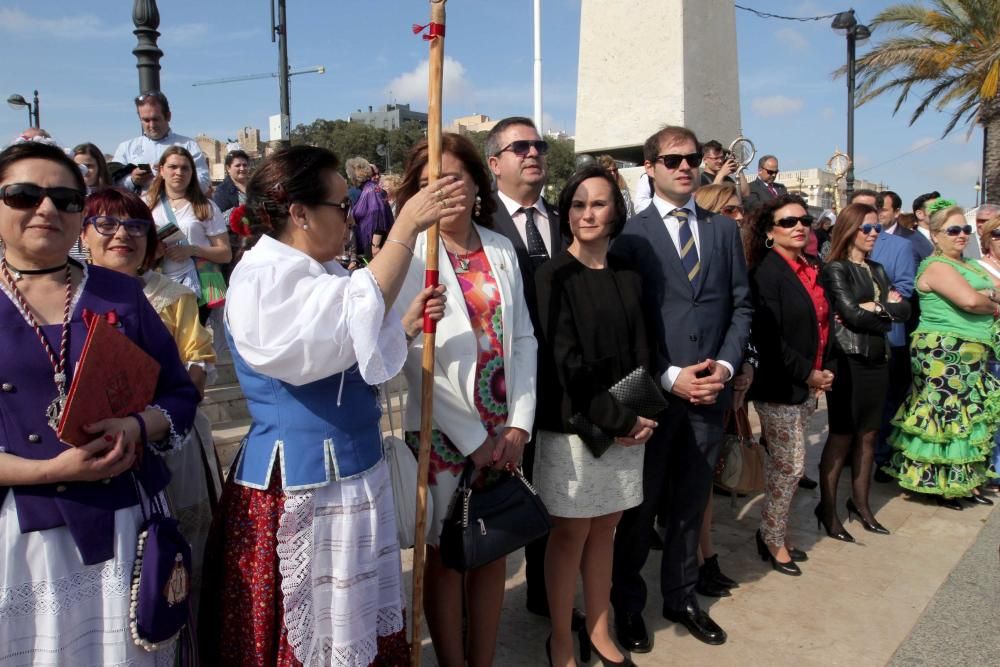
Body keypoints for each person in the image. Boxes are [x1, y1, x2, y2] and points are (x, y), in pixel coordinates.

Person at [199, 145, 450, 665]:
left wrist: (400, 326)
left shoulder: (326, 274)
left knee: (358, 621)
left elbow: (348, 347)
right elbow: (317, 343)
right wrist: (404, 226)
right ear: (299, 213)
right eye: (342, 205)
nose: (352, 216)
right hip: (304, 485)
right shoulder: (262, 276)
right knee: (313, 633)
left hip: (354, 472)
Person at [0, 141, 198, 664]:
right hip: (26, 532)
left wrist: (138, 425)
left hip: (127, 519)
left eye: (66, 200)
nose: (46, 209)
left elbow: (179, 395)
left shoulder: (119, 292)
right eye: (23, 195)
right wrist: (49, 471)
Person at [396, 133, 537, 667]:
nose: (445, 190)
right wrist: (474, 439)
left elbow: (521, 337)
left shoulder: (499, 247)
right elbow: (412, 353)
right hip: (443, 432)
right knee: (448, 555)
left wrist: (518, 423)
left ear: (478, 181)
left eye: (455, 177)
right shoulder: (410, 253)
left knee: (492, 547)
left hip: (503, 429)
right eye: (431, 181)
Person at [611, 125, 751, 649]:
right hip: (651, 391)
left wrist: (728, 368)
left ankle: (682, 595)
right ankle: (627, 605)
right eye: (672, 160)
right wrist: (670, 376)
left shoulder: (720, 231)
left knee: (692, 503)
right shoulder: (629, 235)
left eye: (692, 158)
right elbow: (624, 323)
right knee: (638, 510)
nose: (684, 167)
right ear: (650, 167)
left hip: (710, 394)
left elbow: (740, 305)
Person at [534, 165, 657, 667]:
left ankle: (601, 627)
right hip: (572, 427)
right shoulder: (551, 274)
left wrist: (641, 417)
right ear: (566, 213)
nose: (588, 213)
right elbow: (565, 364)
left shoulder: (629, 273)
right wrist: (620, 420)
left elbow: (642, 351)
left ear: (615, 212)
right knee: (570, 535)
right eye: (578, 204)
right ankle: (562, 637)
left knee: (607, 529)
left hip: (629, 424)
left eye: (599, 203)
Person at [80, 186, 220, 618]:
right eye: (107, 224)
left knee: (178, 542)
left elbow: (197, 356)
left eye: (136, 226)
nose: (122, 235)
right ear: (83, 234)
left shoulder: (170, 295)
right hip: (90, 446)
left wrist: (186, 384)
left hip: (168, 435)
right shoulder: (68, 297)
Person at [485, 115, 566, 619]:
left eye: (538, 146)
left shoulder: (562, 220)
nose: (533, 153)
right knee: (489, 505)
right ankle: (476, 606)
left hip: (556, 384)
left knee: (548, 496)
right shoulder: (477, 225)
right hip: (495, 390)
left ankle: (544, 594)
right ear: (494, 163)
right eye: (520, 147)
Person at [885, 200, 1000, 508]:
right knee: (942, 415)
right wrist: (991, 302)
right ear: (935, 235)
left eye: (965, 229)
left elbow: (988, 291)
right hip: (943, 351)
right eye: (953, 230)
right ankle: (934, 483)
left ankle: (961, 481)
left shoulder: (970, 265)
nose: (962, 235)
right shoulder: (936, 266)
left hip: (973, 350)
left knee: (965, 416)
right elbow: (970, 302)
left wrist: (986, 295)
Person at [745, 195, 835, 575]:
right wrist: (807, 373)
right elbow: (770, 339)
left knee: (788, 465)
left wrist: (823, 370)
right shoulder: (767, 273)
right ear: (770, 231)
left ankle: (774, 530)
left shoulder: (809, 267)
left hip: (805, 384)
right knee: (791, 465)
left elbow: (822, 325)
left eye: (804, 220)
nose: (799, 226)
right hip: (778, 385)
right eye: (788, 222)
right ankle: (771, 536)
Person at [818, 203, 910, 540]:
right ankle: (827, 510)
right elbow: (850, 316)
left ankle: (861, 504)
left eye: (877, 229)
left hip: (877, 359)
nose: (873, 234)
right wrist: (882, 309)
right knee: (841, 435)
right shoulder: (836, 269)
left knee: (869, 435)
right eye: (867, 228)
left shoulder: (878, 269)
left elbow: (904, 309)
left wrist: (877, 307)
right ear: (850, 229)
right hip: (847, 360)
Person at [692, 181, 749, 595]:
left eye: (740, 209)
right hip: (688, 382)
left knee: (706, 482)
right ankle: (698, 558)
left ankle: (704, 555)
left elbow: (744, 311)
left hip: (723, 380)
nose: (739, 216)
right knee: (695, 484)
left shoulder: (738, 250)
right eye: (729, 210)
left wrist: (741, 365)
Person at [147, 146, 232, 316]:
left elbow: (225, 254)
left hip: (195, 288)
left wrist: (192, 250)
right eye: (173, 167)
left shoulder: (206, 207)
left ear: (192, 173)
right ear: (161, 171)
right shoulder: (146, 204)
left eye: (185, 168)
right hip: (156, 286)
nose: (179, 172)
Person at [112, 90, 211, 194]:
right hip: (138, 209)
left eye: (155, 119)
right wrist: (132, 180)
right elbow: (112, 186)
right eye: (146, 120)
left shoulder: (188, 145)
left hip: (178, 208)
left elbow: (204, 182)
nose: (151, 125)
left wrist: (171, 177)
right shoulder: (126, 148)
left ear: (168, 116)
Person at [975, 213, 1000, 491]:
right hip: (990, 349)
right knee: (992, 412)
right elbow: (980, 301)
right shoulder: (978, 268)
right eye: (997, 234)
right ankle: (992, 470)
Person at [348, 159, 394, 260]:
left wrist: (375, 245)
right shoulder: (367, 190)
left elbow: (378, 214)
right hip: (368, 244)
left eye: (350, 176)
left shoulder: (372, 190)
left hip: (374, 246)